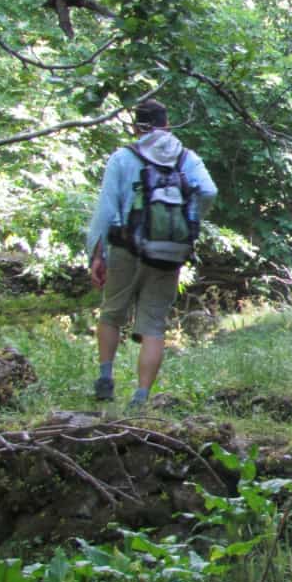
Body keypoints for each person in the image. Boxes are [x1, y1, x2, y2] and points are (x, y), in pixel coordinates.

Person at [86, 99, 217, 410]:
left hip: (125, 248)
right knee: (153, 325)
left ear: (137, 127)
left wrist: (96, 253)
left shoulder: (123, 157)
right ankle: (141, 397)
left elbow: (106, 208)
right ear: (167, 124)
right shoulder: (187, 158)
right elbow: (209, 191)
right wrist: (191, 219)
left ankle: (106, 378)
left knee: (112, 313)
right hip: (169, 252)